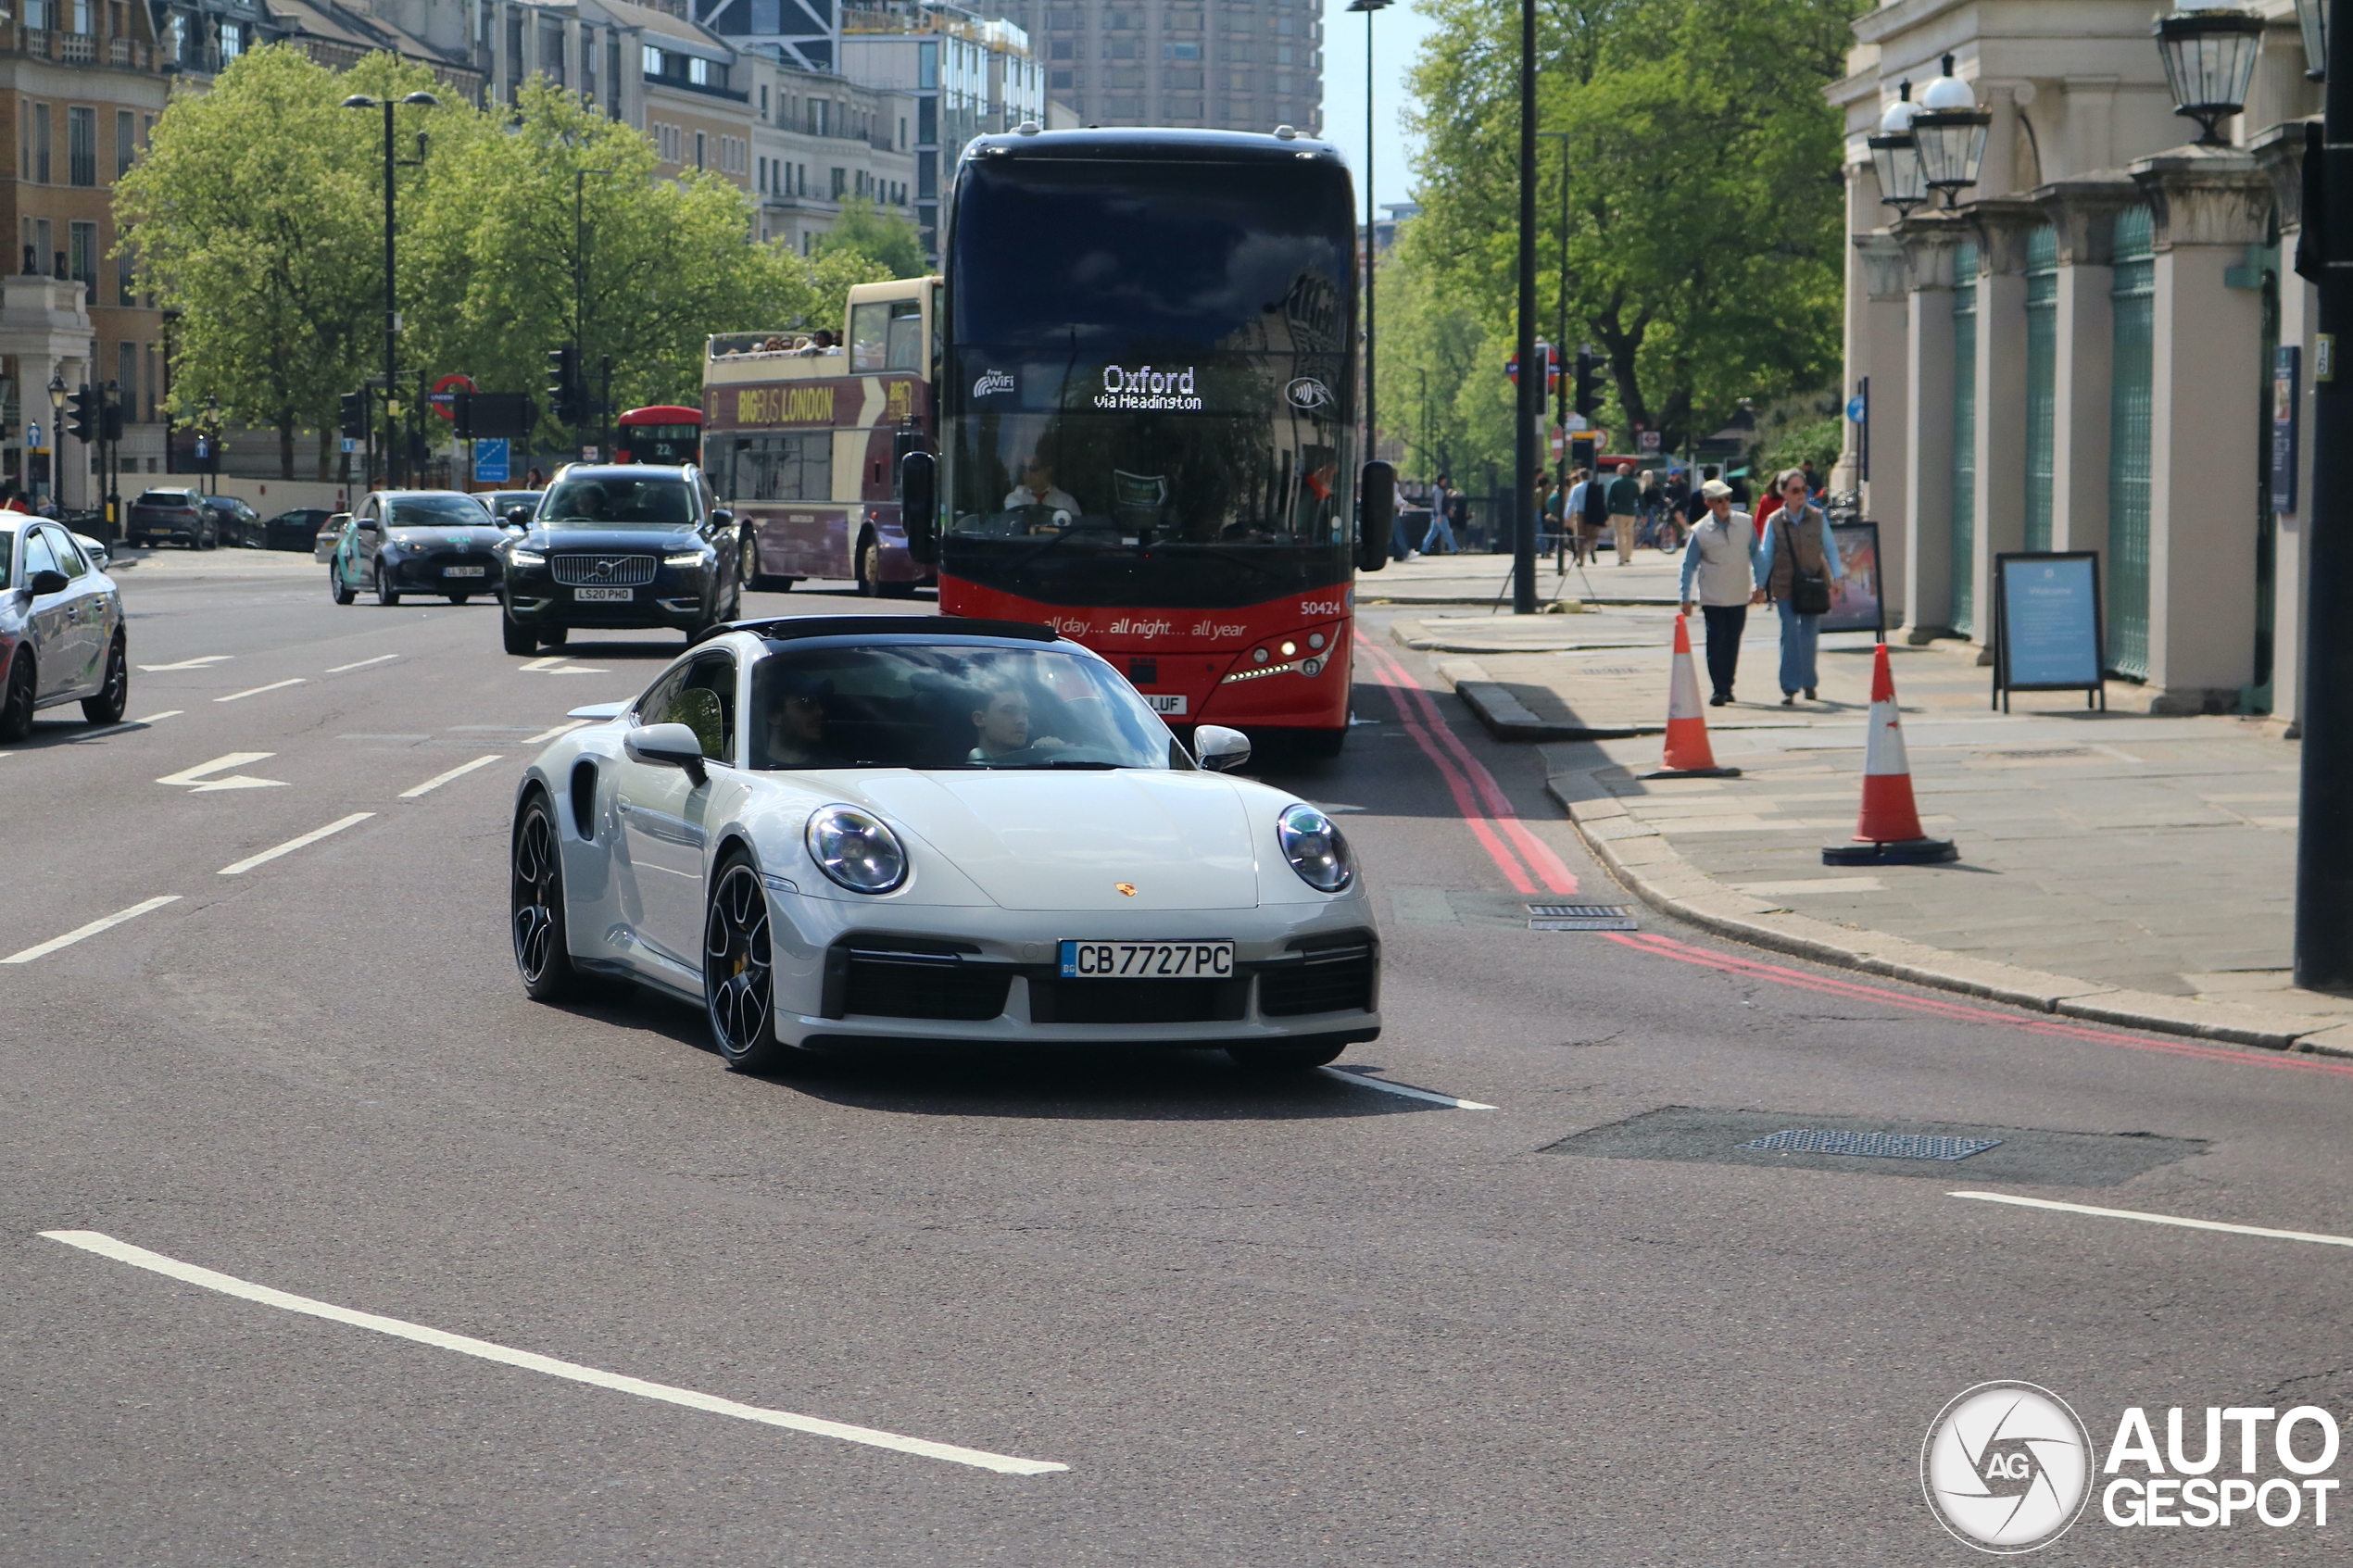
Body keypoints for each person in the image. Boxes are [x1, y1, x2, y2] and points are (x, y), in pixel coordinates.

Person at [1754, 466, 1843, 705]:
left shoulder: (1817, 517)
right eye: (1795, 490)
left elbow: (1830, 548)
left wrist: (1838, 577)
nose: (1801, 494)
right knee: (1790, 633)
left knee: (1809, 635)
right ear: (1784, 493)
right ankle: (1790, 687)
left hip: (1813, 583)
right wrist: (1759, 585)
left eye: (1804, 489)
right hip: (1784, 585)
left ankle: (1809, 682)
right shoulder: (1774, 522)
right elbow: (1766, 555)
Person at [1679, 479, 1757, 707]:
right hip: (1713, 597)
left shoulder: (1745, 524)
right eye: (1719, 501)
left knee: (1732, 641)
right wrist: (1685, 596)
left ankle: (1728, 684)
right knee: (1717, 640)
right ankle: (1718, 688)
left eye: (1727, 499)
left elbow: (1757, 554)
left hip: (1738, 593)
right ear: (1709, 503)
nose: (1724, 504)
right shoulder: (1700, 531)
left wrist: (1761, 585)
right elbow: (1688, 566)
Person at [969, 683, 1069, 761]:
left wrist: (1049, 754)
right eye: (1008, 711)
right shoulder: (960, 775)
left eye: (1025, 713)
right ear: (979, 719)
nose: (1021, 720)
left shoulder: (1042, 766)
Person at [1004, 453, 1079, 512]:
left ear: (1048, 470)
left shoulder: (1067, 501)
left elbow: (1077, 529)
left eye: (1033, 469)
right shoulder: (1014, 498)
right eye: (1024, 469)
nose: (1027, 474)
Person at [1604, 460, 1642, 565]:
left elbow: (1610, 499)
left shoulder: (1615, 483)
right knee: (1629, 534)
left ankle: (1621, 557)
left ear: (1620, 471)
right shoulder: (1634, 483)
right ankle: (1628, 555)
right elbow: (1639, 498)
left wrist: (1610, 511)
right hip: (1631, 512)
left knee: (1619, 535)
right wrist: (1643, 512)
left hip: (1618, 512)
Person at [1421, 472, 1458, 555]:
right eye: (1444, 480)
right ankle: (1455, 549)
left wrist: (1447, 511)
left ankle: (1424, 549)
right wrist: (1439, 515)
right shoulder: (1439, 491)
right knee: (1447, 532)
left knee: (1432, 533)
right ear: (1440, 481)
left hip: (1437, 515)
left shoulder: (1437, 490)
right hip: (1440, 516)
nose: (1445, 482)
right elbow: (1438, 504)